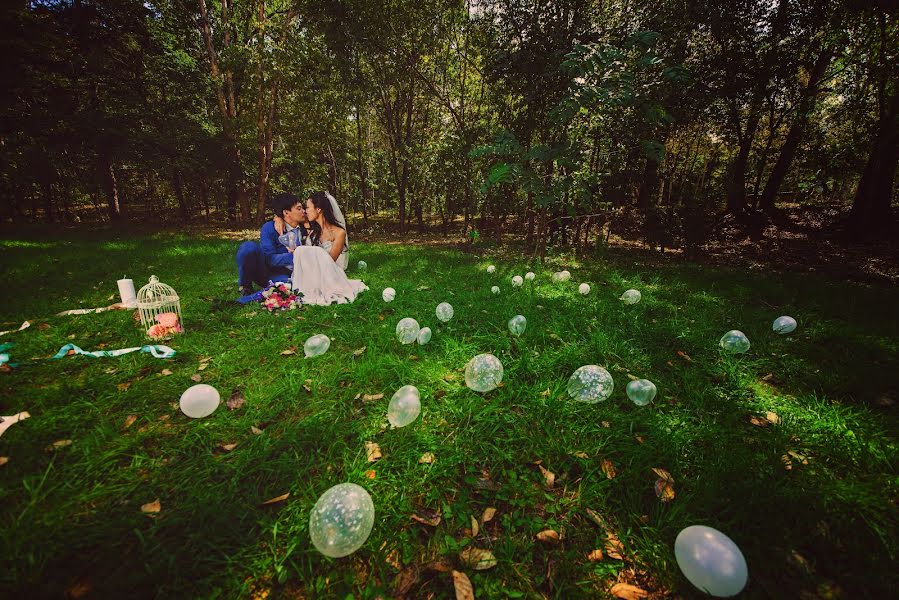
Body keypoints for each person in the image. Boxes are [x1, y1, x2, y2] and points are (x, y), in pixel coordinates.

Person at [290, 192, 367, 304]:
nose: (305, 211)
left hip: (331, 274)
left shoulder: (339, 232)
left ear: (318, 209)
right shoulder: (312, 233)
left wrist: (309, 252)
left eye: (307, 207)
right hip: (314, 275)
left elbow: (331, 261)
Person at [235, 193, 311, 296]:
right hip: (273, 272)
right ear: (286, 212)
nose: (304, 211)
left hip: (297, 274)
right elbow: (269, 259)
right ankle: (245, 286)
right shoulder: (270, 228)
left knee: (293, 287)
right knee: (248, 248)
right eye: (299, 209)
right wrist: (294, 256)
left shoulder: (307, 227)